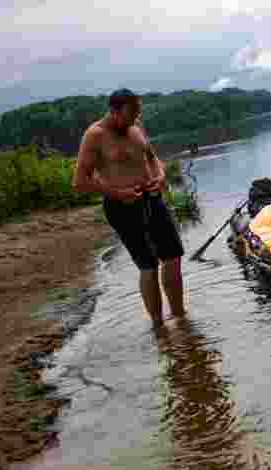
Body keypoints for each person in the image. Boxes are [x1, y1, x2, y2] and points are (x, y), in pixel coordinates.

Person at [74, 88, 186, 330]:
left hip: (152, 198)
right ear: (114, 111)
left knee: (173, 256)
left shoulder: (136, 127)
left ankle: (180, 318)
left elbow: (152, 157)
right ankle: (159, 326)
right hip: (122, 207)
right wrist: (117, 192)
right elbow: (80, 181)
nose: (135, 118)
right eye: (131, 114)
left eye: (138, 113)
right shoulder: (95, 135)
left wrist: (161, 175)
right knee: (148, 265)